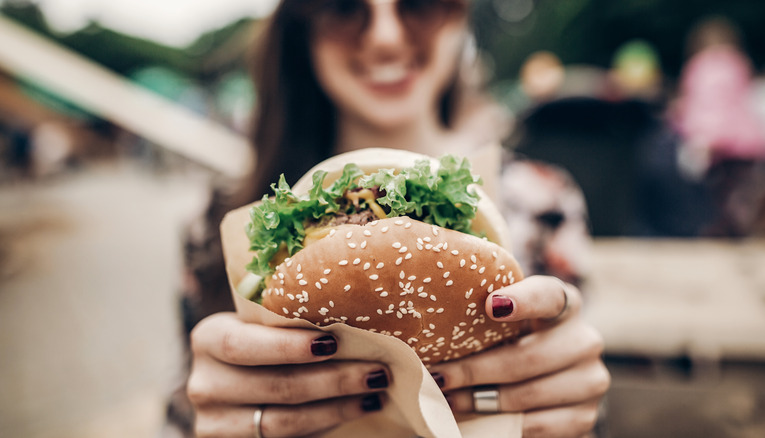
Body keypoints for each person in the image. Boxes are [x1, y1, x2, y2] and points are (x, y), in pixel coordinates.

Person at [166, 0, 610, 437]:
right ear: (303, 28)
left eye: (418, 5)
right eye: (344, 8)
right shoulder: (215, 223)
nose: (386, 38)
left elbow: (583, 405)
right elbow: (176, 419)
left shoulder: (544, 201)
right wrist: (204, 416)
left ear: (460, 18)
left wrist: (570, 403)